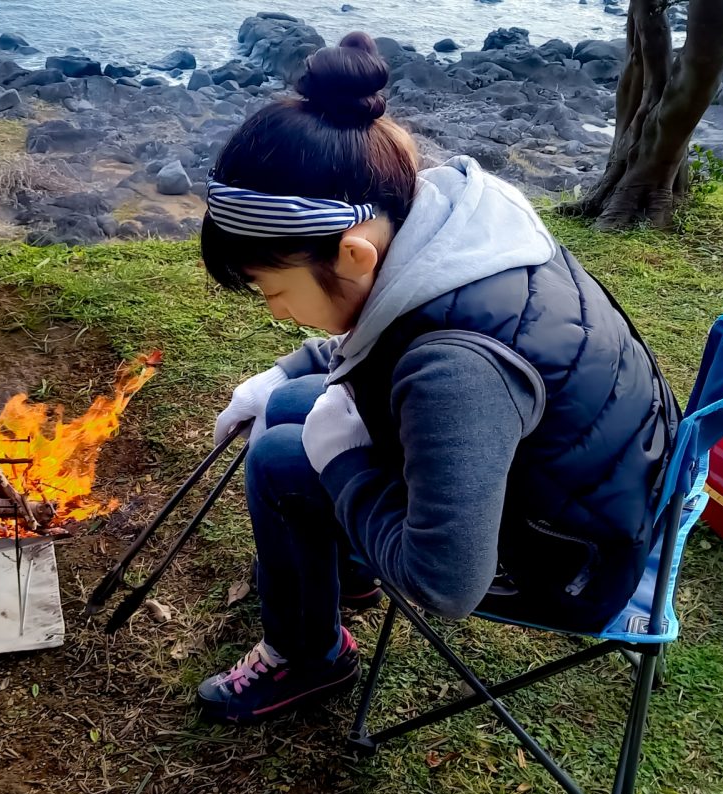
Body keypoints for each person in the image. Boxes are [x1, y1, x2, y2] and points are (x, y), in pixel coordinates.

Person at [195, 32, 679, 725]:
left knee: (281, 460)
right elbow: (400, 320)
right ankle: (347, 569)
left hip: (566, 564)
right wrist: (285, 371)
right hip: (601, 485)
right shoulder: (458, 223)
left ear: (354, 253)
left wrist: (343, 463)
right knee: (299, 402)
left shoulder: (455, 372)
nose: (275, 311)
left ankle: (308, 656)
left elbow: (445, 584)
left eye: (273, 290)